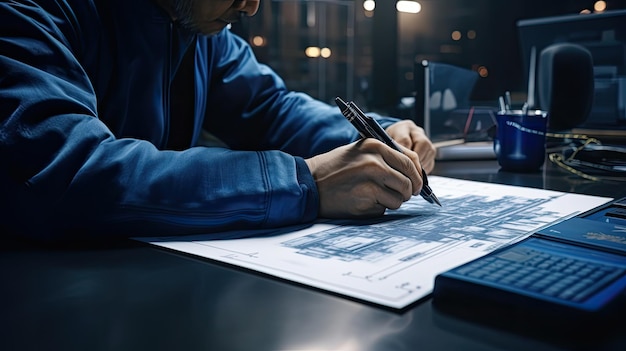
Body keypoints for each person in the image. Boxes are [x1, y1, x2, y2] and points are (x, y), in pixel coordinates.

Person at [0, 0, 436, 241]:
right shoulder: (30, 10)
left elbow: (270, 108)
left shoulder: (197, 30)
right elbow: (69, 170)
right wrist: (306, 182)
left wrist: (374, 135)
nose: (250, 6)